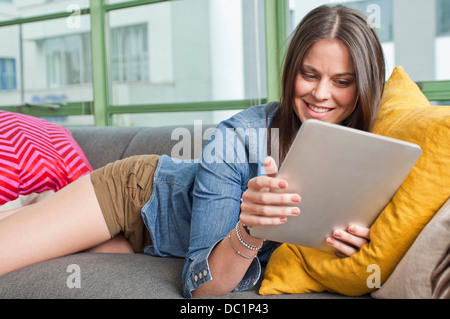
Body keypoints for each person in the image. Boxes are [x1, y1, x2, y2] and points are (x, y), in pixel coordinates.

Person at [0, 5, 385, 298]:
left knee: (47, 246)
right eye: (309, 74)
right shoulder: (238, 137)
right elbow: (201, 288)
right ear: (291, 74)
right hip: (135, 195)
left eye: (342, 81)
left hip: (154, 241)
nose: (320, 94)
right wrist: (250, 230)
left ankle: (41, 209)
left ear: (364, 85)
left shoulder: (373, 151)